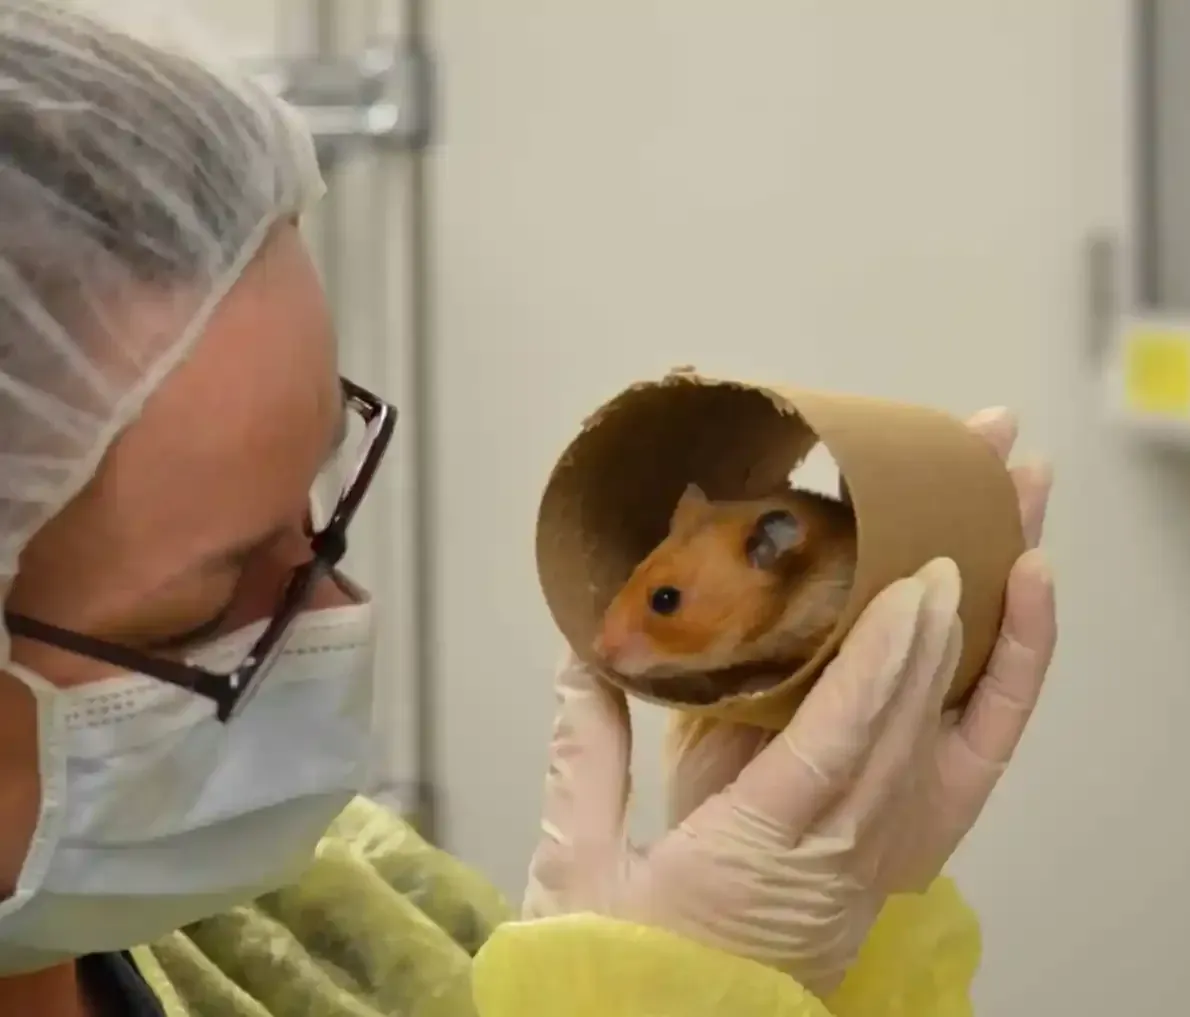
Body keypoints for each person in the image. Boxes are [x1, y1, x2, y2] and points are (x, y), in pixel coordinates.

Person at [0, 3, 1058, 1016]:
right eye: (210, 596)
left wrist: (789, 971)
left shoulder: (345, 915)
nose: (338, 616)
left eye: (317, 512)